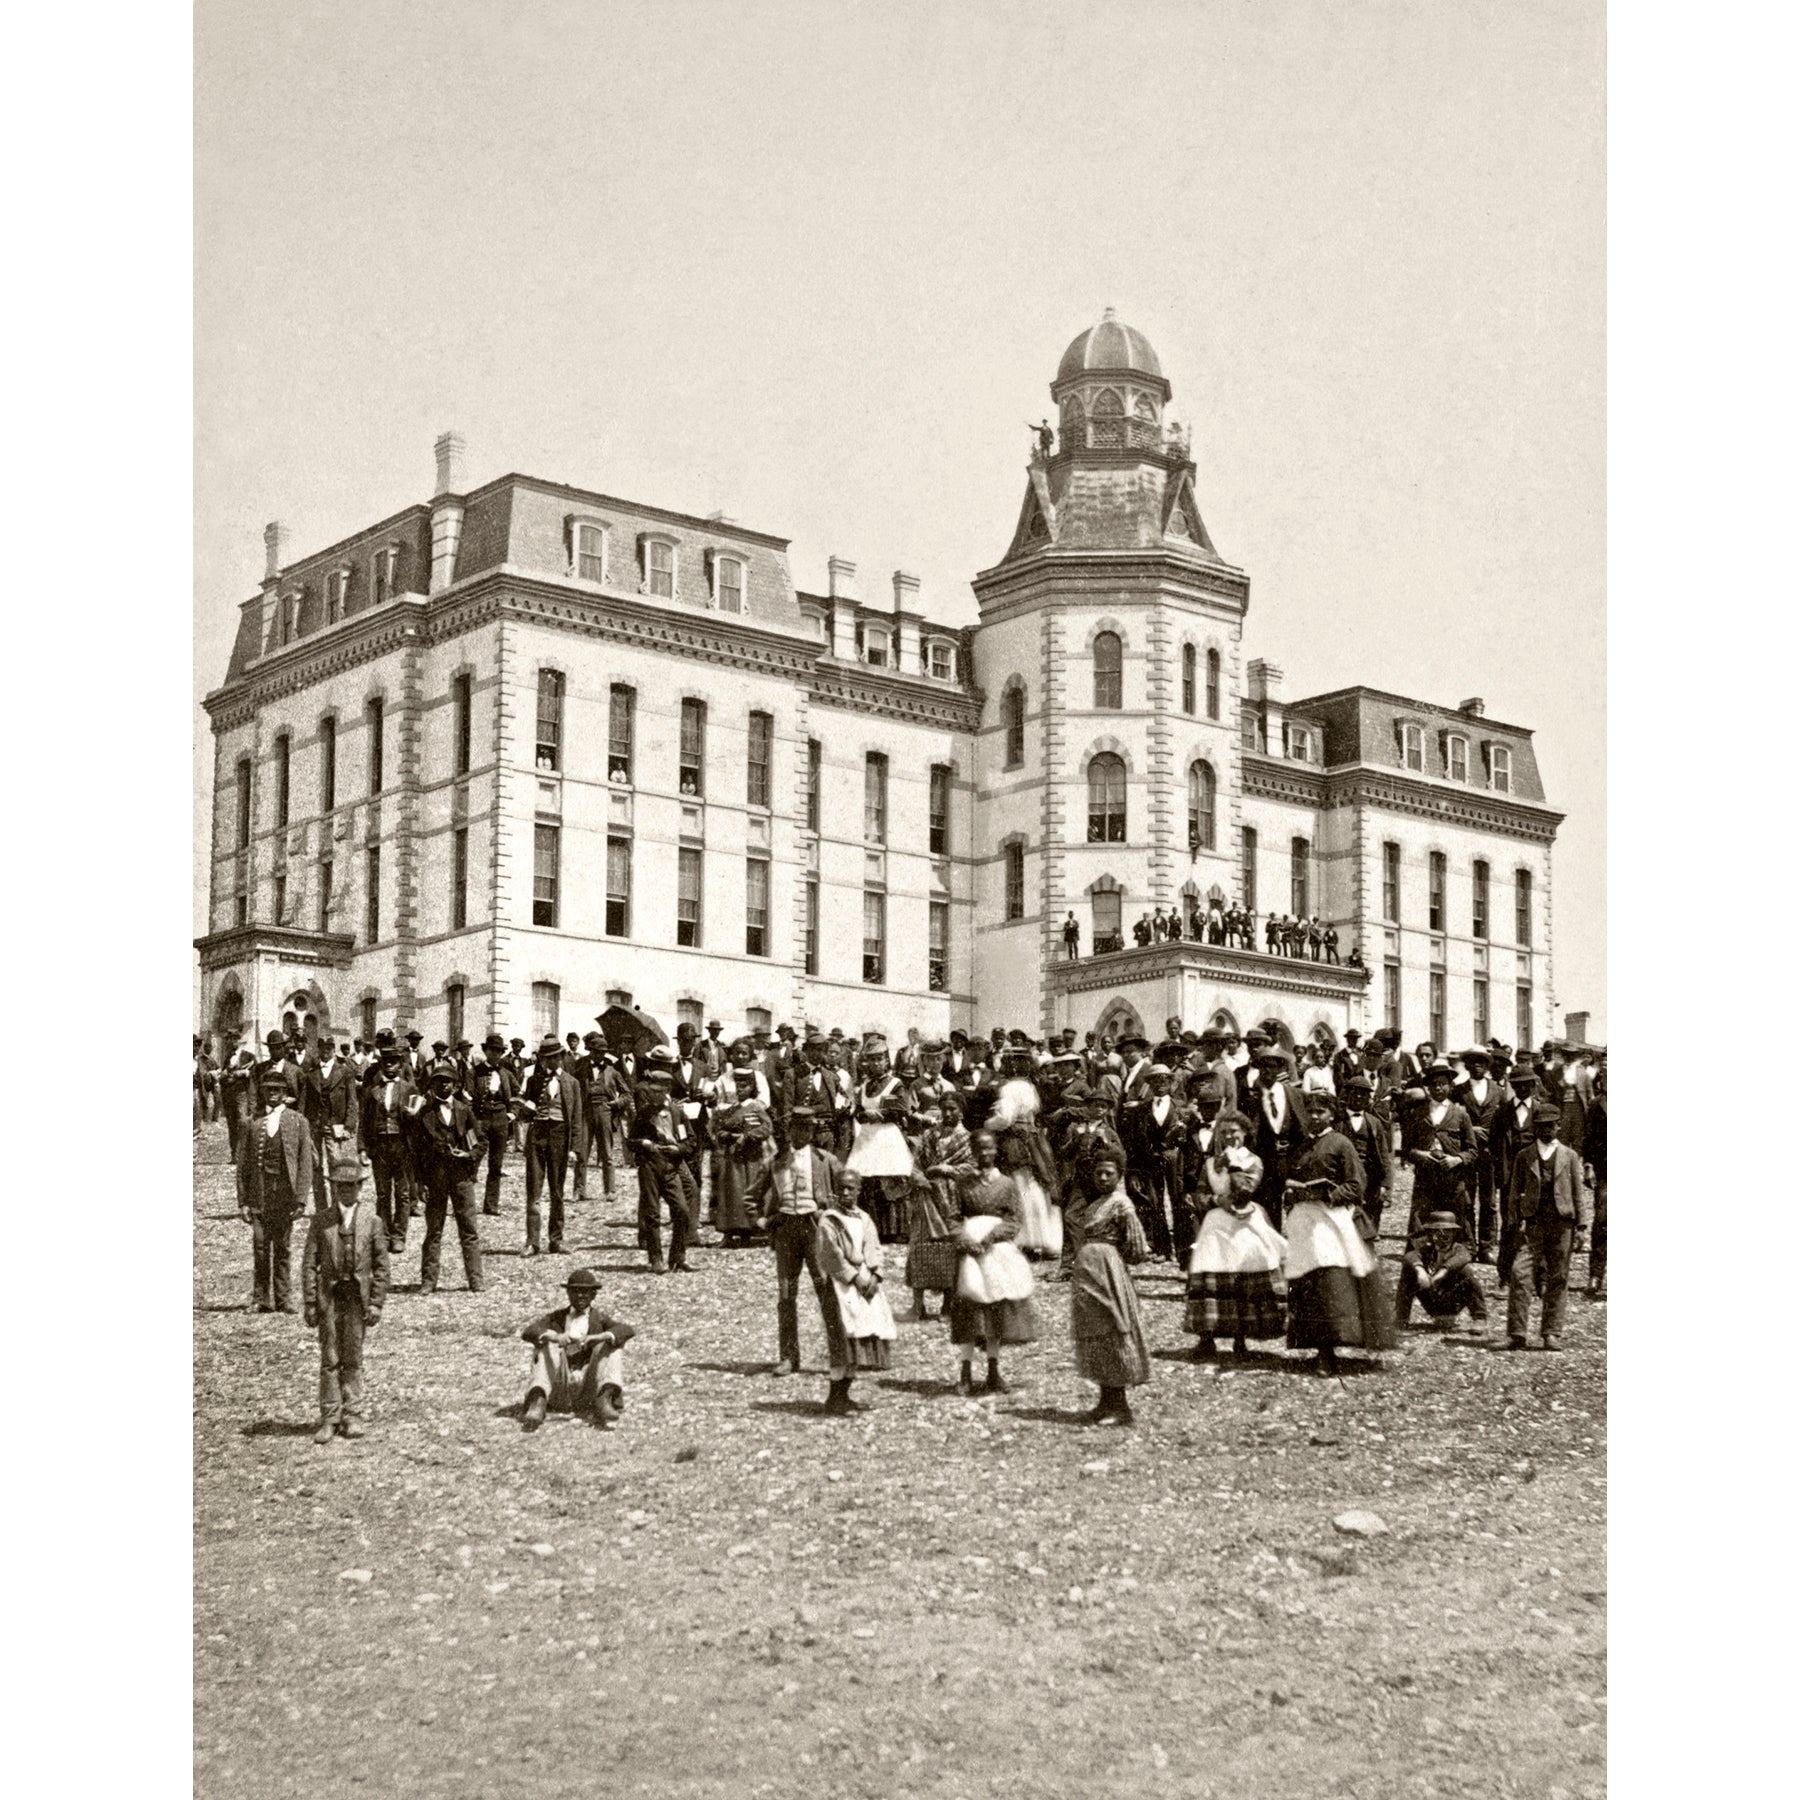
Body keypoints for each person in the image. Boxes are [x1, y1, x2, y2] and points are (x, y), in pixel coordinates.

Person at [1283, 1094, 1393, 1374]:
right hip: (1305, 1220)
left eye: (1321, 1112)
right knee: (1307, 1283)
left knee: (1331, 1283)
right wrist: (1292, 1190)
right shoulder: (1303, 1144)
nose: (1315, 1117)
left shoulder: (1341, 1143)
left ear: (1332, 1115)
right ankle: (1317, 1345)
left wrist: (1328, 1193)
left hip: (1331, 1219)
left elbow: (1357, 1184)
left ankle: (1330, 1350)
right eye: (1310, 1112)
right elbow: (1291, 1177)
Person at [302, 1143, 391, 1443]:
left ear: (359, 1188)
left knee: (352, 1356)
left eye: (351, 1186)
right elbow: (308, 1264)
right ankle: (329, 1416)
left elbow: (381, 1266)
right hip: (330, 1297)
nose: (346, 1192)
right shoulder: (322, 1221)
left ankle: (352, 1413)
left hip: (357, 1298)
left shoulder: (372, 1222)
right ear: (334, 1188)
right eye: (341, 1186)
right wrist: (311, 1301)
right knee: (329, 1357)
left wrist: (377, 1302)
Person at [1184, 1112, 1285, 1360]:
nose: (1229, 1136)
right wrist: (1217, 1200)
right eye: (1224, 1132)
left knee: (1241, 1277)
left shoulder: (1254, 1162)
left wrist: (1233, 1164)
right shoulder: (1209, 1163)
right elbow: (1198, 1196)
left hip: (1244, 1222)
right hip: (1216, 1223)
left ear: (1245, 1134)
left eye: (1234, 1132)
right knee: (1209, 1274)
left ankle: (1240, 1340)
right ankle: (1207, 1338)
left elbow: (1245, 1191)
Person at [947, 1131, 1039, 1395]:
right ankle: (965, 1372)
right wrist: (964, 1239)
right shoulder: (963, 1183)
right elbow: (952, 1217)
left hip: (996, 1253)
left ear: (996, 1150)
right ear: (973, 1152)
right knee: (969, 1310)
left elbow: (1014, 1220)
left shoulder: (1007, 1184)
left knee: (995, 1310)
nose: (984, 1154)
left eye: (989, 1148)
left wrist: (990, 1238)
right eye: (979, 1149)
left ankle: (993, 1371)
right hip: (969, 1255)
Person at [751, 1107, 840, 1374]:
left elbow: (847, 1194)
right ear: (789, 1130)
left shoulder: (826, 1160)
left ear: (813, 1131)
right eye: (796, 1128)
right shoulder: (775, 1160)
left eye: (806, 1128)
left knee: (826, 1291)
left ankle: (838, 1355)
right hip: (787, 1230)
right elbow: (752, 1195)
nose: (801, 1133)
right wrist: (761, 1220)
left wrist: (828, 1214)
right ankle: (788, 1357)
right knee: (786, 1293)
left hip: (815, 1230)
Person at [1065, 1150, 1151, 1425]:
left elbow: (1138, 1248)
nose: (1102, 1178)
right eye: (1098, 1173)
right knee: (1095, 1332)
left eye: (1109, 1173)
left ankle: (1120, 1405)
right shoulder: (1095, 1204)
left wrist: (1111, 1256)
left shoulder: (1121, 1204)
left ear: (1119, 1175)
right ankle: (1105, 1400)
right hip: (1088, 1273)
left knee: (1112, 1329)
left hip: (1108, 1272)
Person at [1505, 1102, 1588, 1351]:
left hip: (1562, 1223)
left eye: (1551, 1125)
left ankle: (1551, 1332)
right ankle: (1517, 1333)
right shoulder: (1525, 1155)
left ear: (1559, 1126)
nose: (1546, 1130)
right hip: (1534, 1224)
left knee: (1558, 1277)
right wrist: (1513, 1221)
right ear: (1534, 1127)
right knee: (1520, 1274)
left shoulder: (1569, 1156)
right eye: (1541, 1126)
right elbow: (1513, 1191)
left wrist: (1581, 1225)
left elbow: (1577, 1192)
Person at [815, 1171, 897, 1415]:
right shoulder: (830, 1220)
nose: (846, 1193)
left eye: (851, 1188)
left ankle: (845, 1393)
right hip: (842, 1284)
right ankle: (834, 1396)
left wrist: (874, 1275)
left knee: (860, 1335)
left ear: (859, 1190)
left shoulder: (864, 1218)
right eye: (842, 1188)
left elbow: (873, 1247)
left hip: (864, 1282)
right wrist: (855, 1278)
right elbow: (831, 1255)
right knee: (842, 1339)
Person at [238, 1069, 315, 1314]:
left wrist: (301, 1199)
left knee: (282, 1246)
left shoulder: (298, 1121)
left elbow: (305, 1164)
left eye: (278, 1090)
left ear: (285, 1094)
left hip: (284, 1194)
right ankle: (261, 1298)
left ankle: (283, 1298)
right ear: (263, 1092)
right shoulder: (253, 1122)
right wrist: (243, 1202)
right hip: (260, 1193)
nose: (273, 1094)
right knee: (260, 1246)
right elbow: (243, 1166)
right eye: (269, 1089)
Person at [519, 1269, 634, 1431]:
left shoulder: (599, 1319)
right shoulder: (556, 1317)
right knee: (546, 1341)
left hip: (589, 1388)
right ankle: (538, 1401)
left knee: (611, 1342)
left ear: (593, 1295)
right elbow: (529, 1331)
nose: (580, 1296)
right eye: (575, 1291)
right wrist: (554, 1337)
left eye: (585, 1292)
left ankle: (605, 1399)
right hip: (559, 1386)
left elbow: (626, 1330)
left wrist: (600, 1337)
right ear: (568, 1293)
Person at [409, 1061, 486, 1295]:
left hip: (461, 1178)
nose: (443, 1085)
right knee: (434, 1230)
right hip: (436, 1179)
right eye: (438, 1081)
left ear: (455, 1085)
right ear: (431, 1086)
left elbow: (480, 1142)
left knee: (469, 1229)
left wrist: (468, 1155)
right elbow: (416, 1152)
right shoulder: (424, 1115)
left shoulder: (464, 1111)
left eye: (448, 1081)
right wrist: (419, 1183)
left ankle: (476, 1280)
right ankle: (428, 1281)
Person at [906, 1091, 975, 1319]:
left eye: (952, 1109)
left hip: (952, 1199)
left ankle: (949, 1302)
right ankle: (918, 1305)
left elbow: (972, 1168)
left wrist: (948, 1170)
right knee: (920, 1246)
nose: (947, 1113)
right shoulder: (929, 1136)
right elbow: (916, 1164)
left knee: (948, 1249)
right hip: (927, 1198)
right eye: (944, 1108)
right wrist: (922, 1180)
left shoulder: (968, 1140)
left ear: (961, 1112)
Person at [519, 1036, 583, 1256]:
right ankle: (532, 1242)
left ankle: (556, 1240)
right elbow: (524, 1116)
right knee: (533, 1191)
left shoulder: (572, 1083)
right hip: (537, 1136)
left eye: (555, 1057)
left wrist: (574, 1147)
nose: (551, 1062)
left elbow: (576, 1118)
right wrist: (525, 1109)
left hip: (560, 1137)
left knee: (557, 1190)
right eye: (546, 1058)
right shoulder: (534, 1081)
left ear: (562, 1057)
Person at [632, 1066, 699, 1273]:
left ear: (667, 1091)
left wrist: (677, 1148)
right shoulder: (643, 1114)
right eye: (652, 1092)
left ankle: (678, 1256)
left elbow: (691, 1142)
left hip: (671, 1167)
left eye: (659, 1092)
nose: (655, 1096)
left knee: (682, 1211)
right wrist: (643, 1143)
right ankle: (656, 1258)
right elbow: (630, 1141)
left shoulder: (678, 1113)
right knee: (652, 1214)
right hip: (650, 1167)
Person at [1402, 1062, 1479, 1238]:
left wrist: (1457, 1159)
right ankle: (1420, 1255)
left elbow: (1472, 1151)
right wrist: (1420, 1154)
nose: (1438, 1088)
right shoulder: (1417, 1113)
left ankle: (1457, 1255)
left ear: (1450, 1086)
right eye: (1434, 1084)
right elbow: (1406, 1149)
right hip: (1425, 1178)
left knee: (1456, 1217)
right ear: (1427, 1087)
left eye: (1442, 1083)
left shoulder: (1460, 1115)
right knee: (1421, 1219)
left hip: (1452, 1179)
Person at [711, 1045, 775, 1245]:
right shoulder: (730, 1110)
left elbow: (767, 1127)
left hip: (751, 1156)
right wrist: (729, 1135)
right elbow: (718, 1129)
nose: (740, 1089)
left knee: (748, 1192)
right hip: (732, 1156)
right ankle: (728, 1233)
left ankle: (747, 1232)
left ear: (752, 1088)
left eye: (744, 1086)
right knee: (729, 1192)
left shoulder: (756, 1107)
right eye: (737, 1086)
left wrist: (748, 1137)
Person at [360, 1042, 418, 1254]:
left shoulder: (409, 1088)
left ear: (400, 1065)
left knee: (402, 1194)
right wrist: (362, 1148)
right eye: (386, 1062)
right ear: (381, 1064)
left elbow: (418, 1120)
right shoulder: (372, 1091)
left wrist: (414, 1117)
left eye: (394, 1062)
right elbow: (364, 1122)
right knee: (382, 1193)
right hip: (380, 1147)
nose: (390, 1066)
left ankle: (399, 1236)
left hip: (401, 1147)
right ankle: (384, 1234)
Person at [1395, 1210, 1488, 1330]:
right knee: (1409, 1270)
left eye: (1448, 1230)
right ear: (1430, 1233)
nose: (1443, 1234)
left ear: (1454, 1233)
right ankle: (1401, 1319)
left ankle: (1479, 1318)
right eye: (1437, 1231)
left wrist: (1443, 1271)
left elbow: (1464, 1257)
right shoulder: (1425, 1248)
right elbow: (1410, 1256)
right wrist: (1420, 1270)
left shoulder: (1458, 1249)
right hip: (1432, 1299)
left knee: (1466, 1271)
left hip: (1452, 1301)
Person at [301, 1036, 358, 1209]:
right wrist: (302, 1125)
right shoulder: (311, 1073)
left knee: (336, 1163)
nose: (325, 1052)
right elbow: (303, 1102)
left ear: (334, 1050)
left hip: (335, 1125)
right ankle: (321, 1208)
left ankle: (336, 1206)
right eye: (322, 1049)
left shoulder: (345, 1071)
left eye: (329, 1049)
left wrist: (349, 1125)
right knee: (315, 1164)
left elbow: (352, 1101)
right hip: (314, 1124)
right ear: (318, 1050)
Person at [470, 1033, 518, 1216]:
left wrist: (513, 1113)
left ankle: (491, 1205)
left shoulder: (506, 1074)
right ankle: (467, 1202)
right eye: (493, 1051)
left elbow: (518, 1094)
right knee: (473, 1160)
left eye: (499, 1051)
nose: (496, 1055)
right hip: (480, 1120)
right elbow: (467, 1098)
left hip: (500, 1120)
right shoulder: (474, 1072)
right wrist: (471, 1121)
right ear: (486, 1051)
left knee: (496, 1164)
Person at [1583, 1064, 1607, 1299]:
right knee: (1602, 1222)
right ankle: (1596, 1274)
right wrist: (1588, 1165)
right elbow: (1588, 1138)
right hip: (1606, 1171)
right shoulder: (1595, 1104)